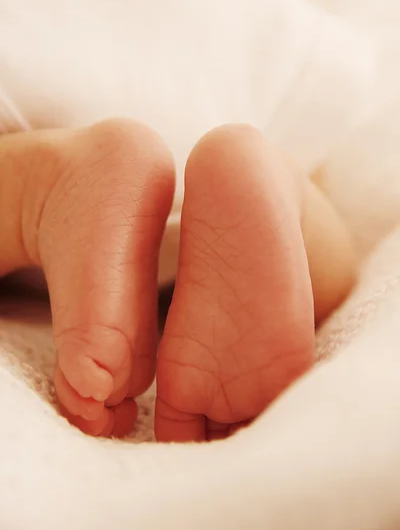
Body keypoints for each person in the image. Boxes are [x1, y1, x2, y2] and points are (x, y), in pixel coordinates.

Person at [0, 118, 355, 441]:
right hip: (239, 107)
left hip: (32, 125)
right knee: (325, 245)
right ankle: (265, 178)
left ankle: (40, 188)